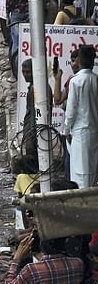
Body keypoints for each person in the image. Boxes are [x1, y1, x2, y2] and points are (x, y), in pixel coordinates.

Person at [64, 44, 98, 188]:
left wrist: (66, 130)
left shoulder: (76, 81)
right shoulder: (95, 79)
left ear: (80, 60)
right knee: (92, 170)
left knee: (80, 172)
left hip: (80, 132)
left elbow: (71, 110)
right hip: (94, 131)